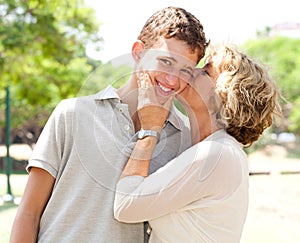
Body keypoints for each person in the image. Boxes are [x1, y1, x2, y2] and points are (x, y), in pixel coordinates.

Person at [10, 6, 209, 243]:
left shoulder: (187, 139)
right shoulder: (72, 114)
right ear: (138, 52)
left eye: (185, 70)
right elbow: (29, 214)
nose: (172, 79)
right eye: (165, 61)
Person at [113, 43, 282, 242]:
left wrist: (150, 130)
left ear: (225, 95)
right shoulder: (213, 150)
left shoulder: (216, 155)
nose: (192, 71)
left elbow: (125, 205)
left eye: (205, 71)